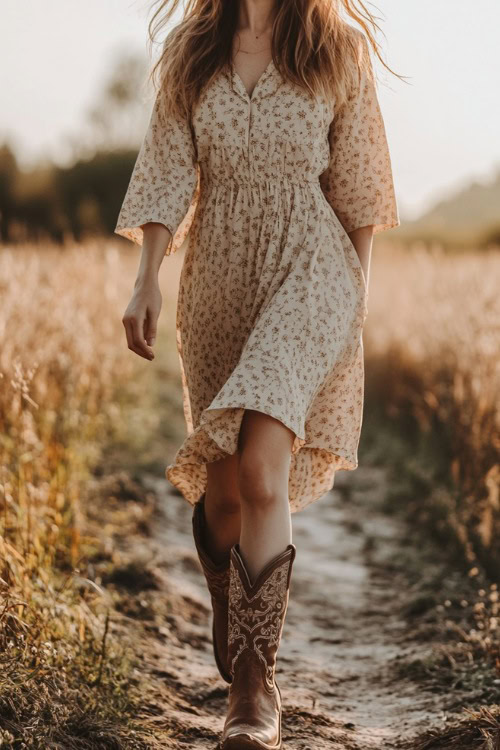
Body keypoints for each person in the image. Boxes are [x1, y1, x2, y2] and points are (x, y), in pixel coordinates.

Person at [115, 0, 400, 746]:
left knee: (265, 468)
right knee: (227, 483)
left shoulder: (335, 48)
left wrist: (351, 303)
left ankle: (253, 685)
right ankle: (226, 574)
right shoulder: (194, 48)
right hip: (217, 282)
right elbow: (167, 169)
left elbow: (362, 192)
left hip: (312, 271)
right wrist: (147, 277)